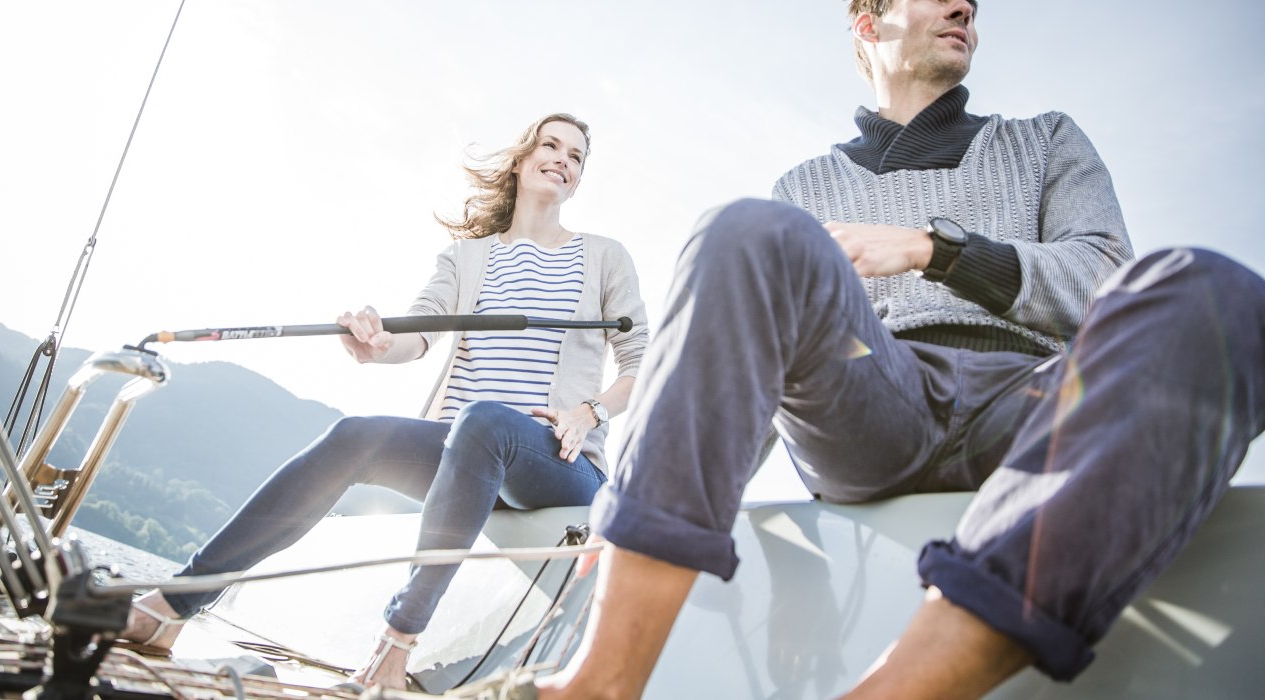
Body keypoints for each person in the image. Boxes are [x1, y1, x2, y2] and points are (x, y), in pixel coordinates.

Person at [531, 2, 1265, 699]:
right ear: (866, 24)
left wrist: (934, 251)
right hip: (873, 393)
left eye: (970, 4)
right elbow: (749, 354)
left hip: (1036, 397)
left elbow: (1106, 279)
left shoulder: (1046, 140)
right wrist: (663, 516)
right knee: (745, 231)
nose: (964, 9)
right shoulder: (804, 186)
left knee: (1219, 292)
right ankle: (602, 679)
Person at [117, 112, 649, 692]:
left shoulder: (603, 257)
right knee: (354, 435)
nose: (563, 159)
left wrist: (588, 413)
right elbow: (416, 334)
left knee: (485, 423)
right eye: (551, 145)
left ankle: (394, 648)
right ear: (521, 160)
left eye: (576, 156)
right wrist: (377, 342)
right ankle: (174, 604)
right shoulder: (468, 258)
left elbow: (643, 364)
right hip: (467, 455)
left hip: (558, 463)